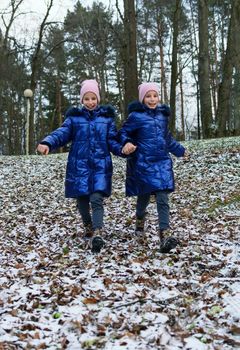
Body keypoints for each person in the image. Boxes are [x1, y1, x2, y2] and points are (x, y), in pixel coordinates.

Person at [37, 79, 124, 253]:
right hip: (80, 167)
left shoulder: (106, 119)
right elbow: (61, 134)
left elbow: (113, 140)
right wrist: (47, 142)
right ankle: (88, 225)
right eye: (87, 99)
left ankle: (98, 232)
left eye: (93, 98)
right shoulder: (74, 119)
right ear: (82, 100)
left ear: (98, 99)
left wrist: (124, 149)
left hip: (100, 165)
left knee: (96, 199)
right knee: (82, 200)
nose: (90, 102)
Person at [119, 82, 190, 253]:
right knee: (143, 197)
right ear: (142, 98)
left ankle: (164, 235)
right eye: (148, 96)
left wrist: (180, 151)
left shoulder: (162, 116)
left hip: (162, 162)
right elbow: (123, 133)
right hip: (143, 163)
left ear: (159, 97)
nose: (152, 99)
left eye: (155, 96)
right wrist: (127, 143)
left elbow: (167, 138)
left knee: (162, 198)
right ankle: (139, 221)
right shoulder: (136, 116)